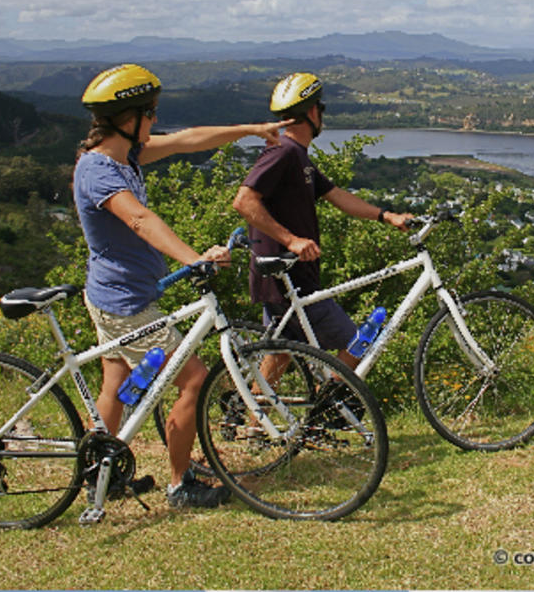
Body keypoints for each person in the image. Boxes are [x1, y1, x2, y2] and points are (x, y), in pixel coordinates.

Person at [74, 63, 289, 508]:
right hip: (126, 303)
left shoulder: (125, 155)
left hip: (116, 294)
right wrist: (194, 259)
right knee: (193, 380)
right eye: (150, 113)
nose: (155, 120)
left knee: (116, 383)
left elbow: (189, 140)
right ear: (128, 118)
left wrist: (251, 130)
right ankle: (180, 485)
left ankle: (101, 476)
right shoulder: (99, 170)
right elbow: (139, 218)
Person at [233, 72, 413, 375]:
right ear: (313, 112)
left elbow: (336, 195)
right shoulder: (283, 152)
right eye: (322, 108)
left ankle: (256, 409)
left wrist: (387, 216)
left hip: (284, 277)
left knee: (280, 353)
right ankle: (330, 400)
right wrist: (291, 240)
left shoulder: (298, 157)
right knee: (357, 343)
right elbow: (244, 200)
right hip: (288, 278)